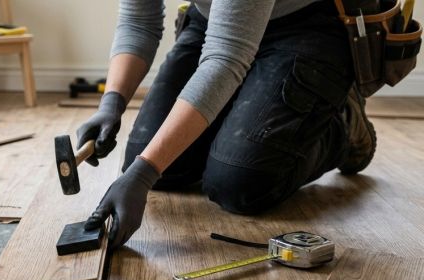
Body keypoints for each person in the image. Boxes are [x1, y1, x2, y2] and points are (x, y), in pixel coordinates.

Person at [79, 0, 377, 249]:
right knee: (152, 156)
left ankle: (343, 126)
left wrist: (143, 175)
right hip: (216, 21)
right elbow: (138, 22)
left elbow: (227, 56)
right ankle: (255, 108)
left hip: (304, 25)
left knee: (240, 181)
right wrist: (111, 104)